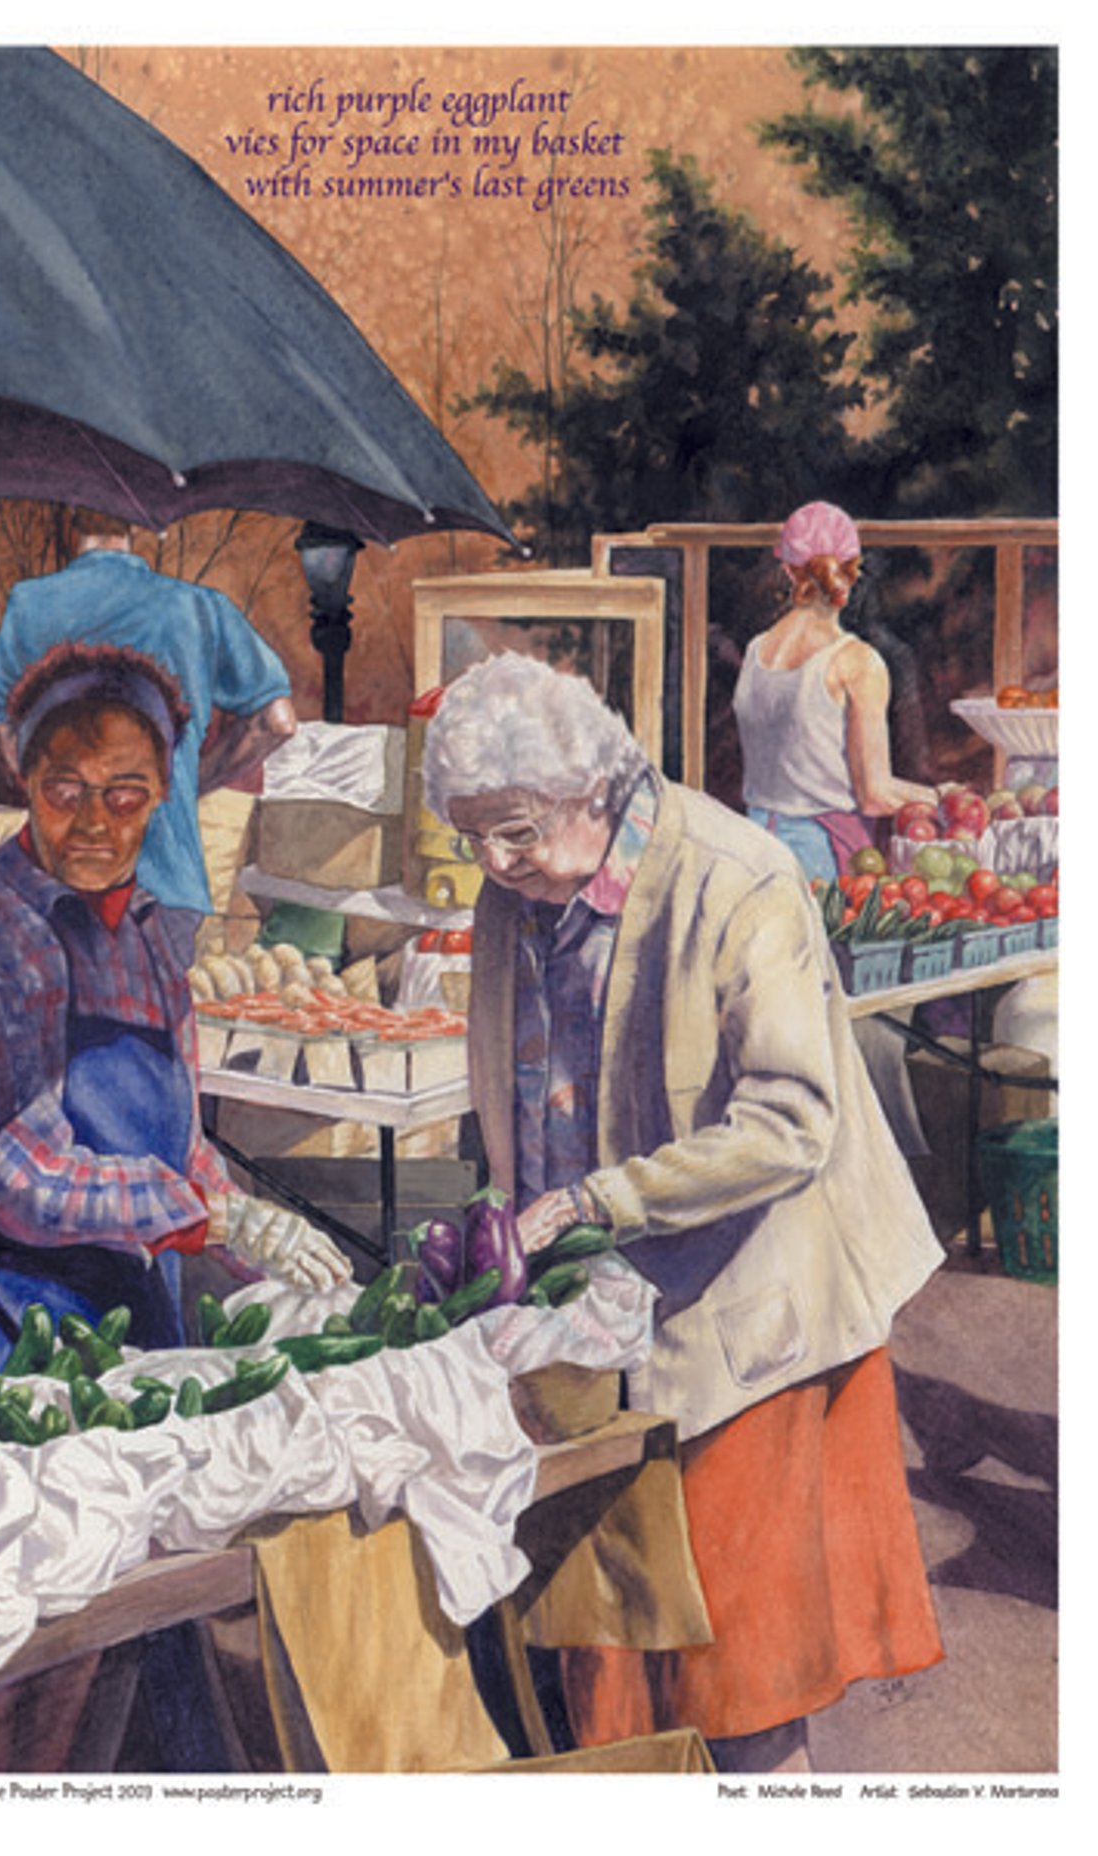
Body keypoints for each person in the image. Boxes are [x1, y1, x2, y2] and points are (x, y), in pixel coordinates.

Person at [422, 652, 945, 1774]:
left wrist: (597, 1201)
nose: (494, 862)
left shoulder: (738, 877)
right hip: (600, 1329)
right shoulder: (516, 887)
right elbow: (517, 1092)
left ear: (589, 790)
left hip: (752, 1327)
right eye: (475, 836)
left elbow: (792, 1120)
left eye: (512, 830)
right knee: (610, 1681)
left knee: (742, 1691)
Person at [0, 642, 349, 1395]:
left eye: (125, 794)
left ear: (164, 788)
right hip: (2, 1341)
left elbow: (183, 1148)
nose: (94, 821)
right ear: (26, 780)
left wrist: (254, 1233)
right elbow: (18, 1176)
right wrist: (215, 1221)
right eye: (66, 790)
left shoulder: (149, 938)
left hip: (131, 1330)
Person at [0, 507, 297, 949]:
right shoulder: (198, 607)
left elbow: (7, 736)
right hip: (167, 880)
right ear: (141, 522)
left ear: (71, 515)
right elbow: (278, 721)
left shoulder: (29, 604)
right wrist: (188, 782)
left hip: (53, 879)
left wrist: (62, 794)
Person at [732, 500, 937, 884]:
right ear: (853, 571)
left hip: (754, 848)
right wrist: (940, 799)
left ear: (789, 570)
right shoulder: (857, 662)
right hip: (823, 857)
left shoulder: (756, 651)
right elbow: (875, 794)